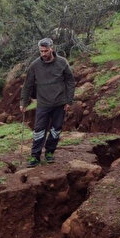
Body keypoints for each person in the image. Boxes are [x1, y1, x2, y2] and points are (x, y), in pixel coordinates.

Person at [20, 38, 76, 166]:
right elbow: (27, 85)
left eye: (46, 51)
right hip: (43, 104)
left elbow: (70, 81)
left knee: (56, 129)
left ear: (52, 48)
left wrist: (69, 100)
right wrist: (23, 102)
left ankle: (50, 152)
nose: (44, 54)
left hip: (60, 103)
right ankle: (35, 156)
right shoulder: (35, 65)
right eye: (41, 51)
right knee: (39, 130)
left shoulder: (62, 63)